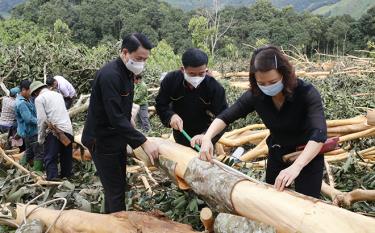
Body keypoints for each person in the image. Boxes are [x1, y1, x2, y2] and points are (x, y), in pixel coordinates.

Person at [199, 45, 327, 198]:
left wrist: (296, 167)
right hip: (277, 151)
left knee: (307, 202)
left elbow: (319, 133)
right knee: (272, 197)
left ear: (285, 75)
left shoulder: (306, 93)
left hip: (306, 154)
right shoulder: (256, 95)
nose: (267, 87)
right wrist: (207, 137)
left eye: (273, 81)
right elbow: (226, 116)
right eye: (261, 83)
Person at [81, 33, 159, 214]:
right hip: (101, 140)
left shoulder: (128, 73)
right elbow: (115, 117)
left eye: (145, 59)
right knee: (115, 191)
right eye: (139, 58)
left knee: (116, 187)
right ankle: (117, 224)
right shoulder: (110, 75)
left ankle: (111, 220)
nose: (142, 63)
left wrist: (129, 119)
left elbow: (122, 109)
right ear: (125, 52)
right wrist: (144, 141)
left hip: (116, 138)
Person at [155, 48, 228, 148]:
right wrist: (170, 116)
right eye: (192, 74)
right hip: (181, 132)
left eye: (201, 73)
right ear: (182, 69)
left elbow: (224, 117)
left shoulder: (215, 88)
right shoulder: (171, 81)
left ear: (206, 70)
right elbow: (160, 104)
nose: (196, 78)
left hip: (205, 135)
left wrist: (206, 136)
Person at [32, 81, 74, 181]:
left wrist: (41, 138)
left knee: (50, 156)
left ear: (35, 92)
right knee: (66, 156)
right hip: (68, 129)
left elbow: (42, 120)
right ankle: (67, 177)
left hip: (54, 132)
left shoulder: (39, 99)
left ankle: (53, 179)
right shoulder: (58, 95)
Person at [15, 80, 44, 172]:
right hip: (31, 131)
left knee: (29, 151)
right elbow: (28, 119)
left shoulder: (26, 100)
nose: (31, 93)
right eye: (30, 91)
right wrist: (42, 122)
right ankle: (37, 173)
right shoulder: (22, 103)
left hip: (28, 131)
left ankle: (20, 169)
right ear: (24, 90)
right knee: (39, 152)